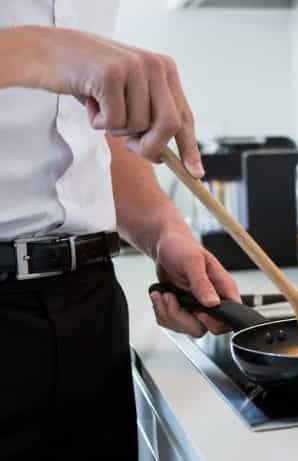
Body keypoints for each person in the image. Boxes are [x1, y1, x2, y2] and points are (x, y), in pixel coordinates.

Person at [0, 1, 240, 459]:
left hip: (90, 309)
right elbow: (60, 63)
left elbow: (88, 131)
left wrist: (164, 232)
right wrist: (46, 50)